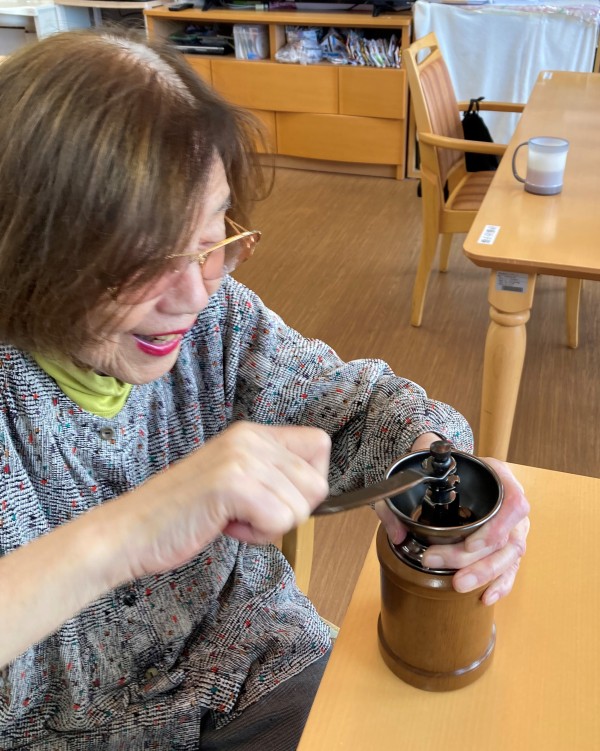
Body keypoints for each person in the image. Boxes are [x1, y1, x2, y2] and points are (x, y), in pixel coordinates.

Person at [0, 28, 529, 751]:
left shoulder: (217, 319)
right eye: (139, 261)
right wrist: (128, 532)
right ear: (30, 249)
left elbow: (359, 407)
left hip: (252, 662)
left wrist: (436, 463)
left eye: (211, 239)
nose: (192, 295)